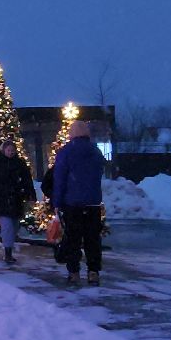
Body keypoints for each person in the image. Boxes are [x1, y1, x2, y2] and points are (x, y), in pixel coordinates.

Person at [49, 120, 108, 286]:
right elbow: (99, 173)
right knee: (92, 239)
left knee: (73, 239)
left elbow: (59, 179)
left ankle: (74, 272)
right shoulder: (95, 151)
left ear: (71, 134)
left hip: (72, 204)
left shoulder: (66, 152)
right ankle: (93, 272)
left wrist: (57, 202)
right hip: (93, 203)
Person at [0, 139, 36, 265]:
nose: (11, 153)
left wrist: (31, 196)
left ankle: (6, 241)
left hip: (16, 200)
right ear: (4, 151)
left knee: (14, 226)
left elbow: (27, 181)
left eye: (13, 151)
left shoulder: (19, 164)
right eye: (9, 150)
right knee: (8, 226)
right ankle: (8, 253)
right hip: (1, 199)